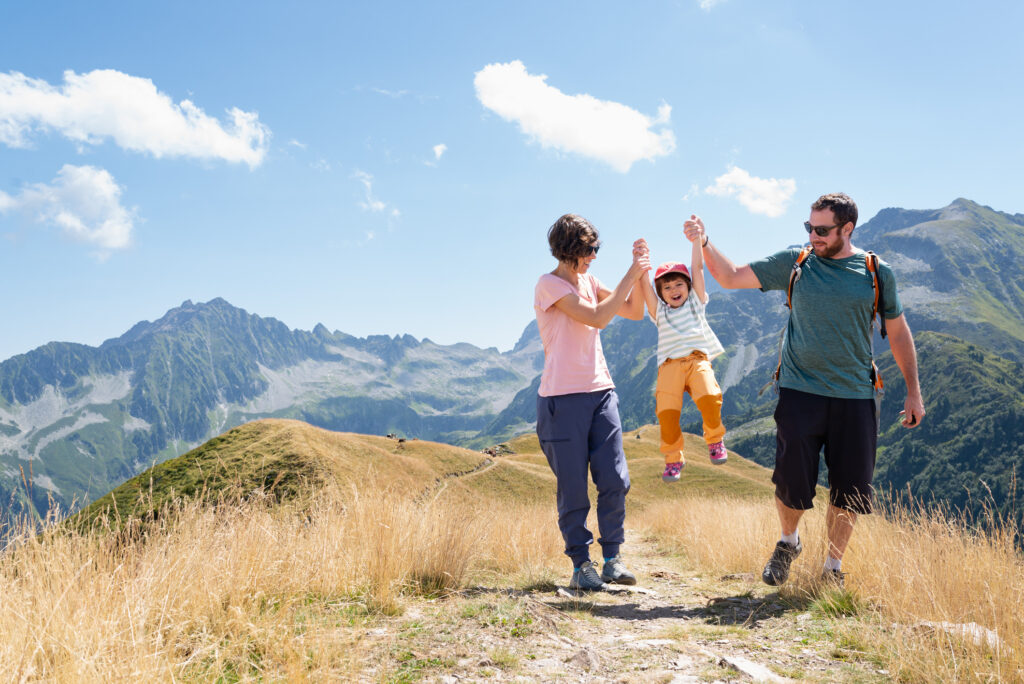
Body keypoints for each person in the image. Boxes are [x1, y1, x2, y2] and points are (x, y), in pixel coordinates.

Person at [690, 193, 925, 587]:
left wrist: (914, 392)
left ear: (846, 229)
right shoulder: (796, 263)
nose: (813, 235)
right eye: (809, 227)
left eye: (822, 229)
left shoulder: (875, 272)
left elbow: (898, 332)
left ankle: (832, 569)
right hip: (800, 392)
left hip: (856, 396)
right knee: (790, 481)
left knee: (849, 491)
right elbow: (730, 276)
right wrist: (704, 240)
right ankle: (788, 542)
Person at [534, 213, 650, 591]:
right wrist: (630, 273)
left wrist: (642, 271)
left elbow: (633, 312)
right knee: (573, 486)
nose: (594, 257)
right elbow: (599, 318)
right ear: (569, 249)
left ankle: (613, 560)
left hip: (601, 393)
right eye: (589, 250)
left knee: (615, 478)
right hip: (561, 400)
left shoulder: (589, 280)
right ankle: (581, 564)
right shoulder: (549, 285)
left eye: (596, 249)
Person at [638, 228, 727, 484]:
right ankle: (673, 460)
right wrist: (642, 260)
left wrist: (697, 241)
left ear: (688, 286)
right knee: (667, 414)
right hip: (669, 368)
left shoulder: (696, 302)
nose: (674, 289)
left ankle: (715, 440)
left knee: (710, 396)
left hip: (697, 360)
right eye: (667, 287)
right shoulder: (659, 313)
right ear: (661, 292)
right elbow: (645, 286)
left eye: (678, 283)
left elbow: (698, 269)